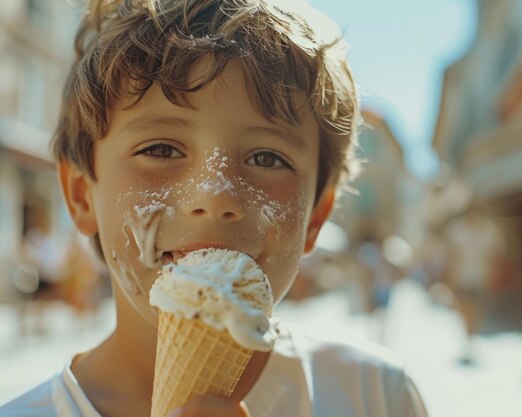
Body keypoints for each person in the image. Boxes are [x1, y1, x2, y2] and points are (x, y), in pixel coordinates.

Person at [0, 1, 427, 416]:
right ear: (80, 194)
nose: (216, 195)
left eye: (267, 159)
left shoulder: (374, 395)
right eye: (161, 148)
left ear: (315, 215)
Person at [445, 202, 505, 364]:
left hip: (481, 277)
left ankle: (471, 335)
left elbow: (494, 255)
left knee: (477, 311)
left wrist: (494, 275)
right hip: (463, 277)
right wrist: (451, 279)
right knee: (465, 310)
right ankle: (468, 336)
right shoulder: (457, 230)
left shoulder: (488, 230)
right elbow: (453, 256)